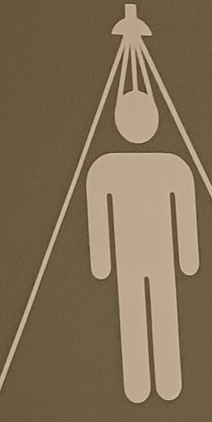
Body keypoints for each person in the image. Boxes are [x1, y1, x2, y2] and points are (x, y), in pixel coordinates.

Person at [86, 83, 199, 403]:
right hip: (133, 257)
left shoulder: (168, 166)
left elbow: (184, 212)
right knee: (137, 310)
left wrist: (101, 263)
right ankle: (143, 384)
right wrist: (188, 260)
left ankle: (163, 382)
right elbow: (98, 215)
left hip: (151, 257)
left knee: (151, 309)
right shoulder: (107, 168)